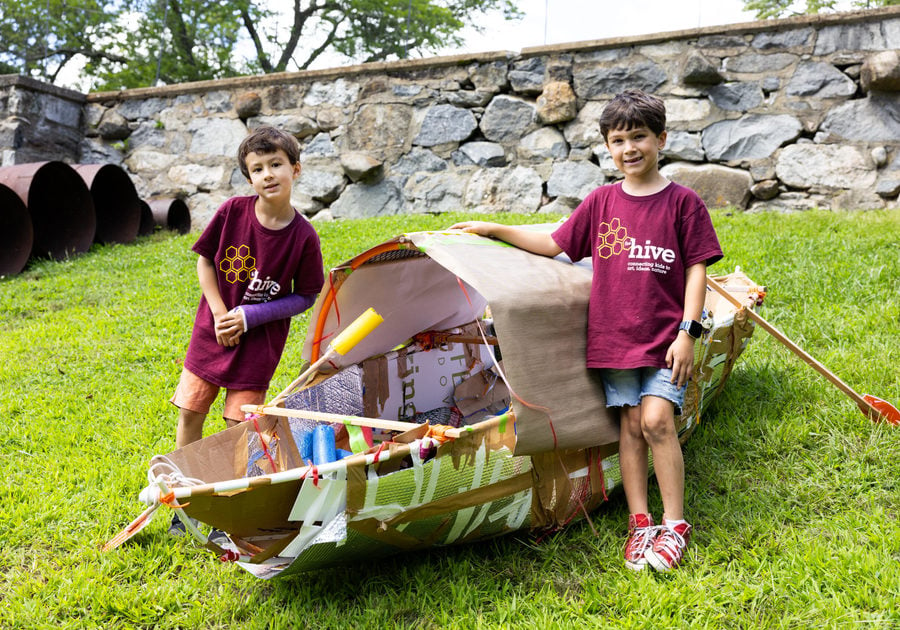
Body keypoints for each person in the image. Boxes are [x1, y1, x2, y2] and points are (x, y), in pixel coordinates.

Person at [449, 89, 722, 572]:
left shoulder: (683, 204)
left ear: (661, 138)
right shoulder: (601, 203)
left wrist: (688, 332)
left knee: (658, 420)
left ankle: (675, 525)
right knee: (632, 427)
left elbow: (698, 268)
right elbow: (553, 244)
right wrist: (494, 228)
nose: (629, 148)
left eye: (639, 137)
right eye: (618, 140)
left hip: (666, 338)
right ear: (607, 147)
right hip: (614, 341)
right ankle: (640, 525)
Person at [169, 125, 325, 535]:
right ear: (249, 177)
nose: (268, 174)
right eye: (258, 168)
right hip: (210, 335)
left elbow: (307, 294)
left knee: (238, 428)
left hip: (258, 347)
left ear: (296, 169)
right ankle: (187, 500)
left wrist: (250, 317)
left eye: (276, 164)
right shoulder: (232, 212)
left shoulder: (304, 238)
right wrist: (222, 314)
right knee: (191, 411)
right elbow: (205, 261)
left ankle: (230, 507)